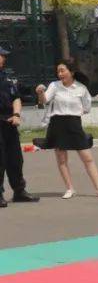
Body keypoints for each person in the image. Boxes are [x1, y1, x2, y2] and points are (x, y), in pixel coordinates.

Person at [34, 59, 98, 199]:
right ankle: (69, 188)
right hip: (57, 124)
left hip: (74, 124)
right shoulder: (54, 86)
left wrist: (75, 113)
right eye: (58, 71)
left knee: (87, 158)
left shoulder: (81, 88)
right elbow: (44, 100)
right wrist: (40, 92)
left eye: (63, 70)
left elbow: (87, 108)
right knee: (62, 159)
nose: (60, 74)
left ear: (71, 72)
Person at [0, 46, 37, 205]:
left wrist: (16, 115)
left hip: (10, 122)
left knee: (16, 159)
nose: (3, 58)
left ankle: (19, 191)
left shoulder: (6, 78)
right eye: (1, 55)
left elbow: (16, 97)